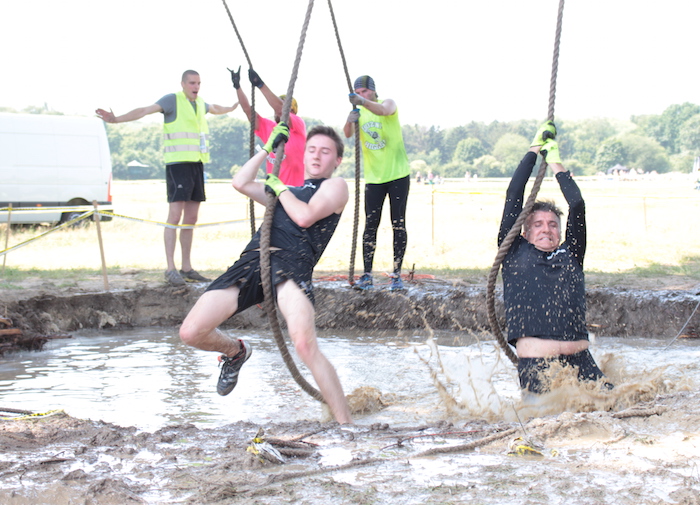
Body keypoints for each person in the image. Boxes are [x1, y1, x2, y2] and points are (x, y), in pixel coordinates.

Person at [179, 124, 353, 424]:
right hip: (252, 262)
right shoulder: (286, 192)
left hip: (291, 266)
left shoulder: (335, 186)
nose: (316, 156)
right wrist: (266, 149)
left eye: (325, 152)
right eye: (311, 150)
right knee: (191, 332)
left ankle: (347, 425)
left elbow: (304, 216)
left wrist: (280, 189)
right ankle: (236, 352)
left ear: (337, 160)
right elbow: (240, 182)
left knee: (304, 345)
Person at [499, 122, 613, 395]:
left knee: (621, 406)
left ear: (560, 233)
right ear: (525, 232)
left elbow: (577, 205)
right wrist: (534, 150)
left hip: (582, 363)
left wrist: (556, 162)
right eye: (538, 224)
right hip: (538, 365)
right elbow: (514, 194)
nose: (546, 229)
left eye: (552, 224)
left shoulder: (571, 253)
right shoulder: (513, 251)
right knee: (544, 419)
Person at [96, 70, 238, 286]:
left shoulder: (200, 103)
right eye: (192, 83)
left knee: (191, 218)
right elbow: (144, 110)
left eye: (199, 83)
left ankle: (187, 268)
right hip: (177, 165)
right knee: (175, 215)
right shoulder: (172, 100)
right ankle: (170, 268)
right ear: (183, 84)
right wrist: (116, 119)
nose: (196, 87)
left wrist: (233, 107)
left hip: (197, 164)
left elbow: (216, 108)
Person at [344, 75, 410, 292]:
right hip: (374, 179)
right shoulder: (359, 112)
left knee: (398, 223)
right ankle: (367, 275)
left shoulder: (387, 103)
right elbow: (347, 134)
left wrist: (362, 102)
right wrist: (350, 119)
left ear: (373, 91)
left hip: (398, 175)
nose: (361, 95)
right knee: (370, 225)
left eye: (364, 91)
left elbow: (383, 111)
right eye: (358, 93)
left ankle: (396, 275)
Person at [229, 67, 306, 186]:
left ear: (292, 110)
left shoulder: (298, 125)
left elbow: (281, 110)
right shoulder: (269, 128)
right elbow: (248, 111)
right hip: (272, 191)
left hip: (294, 190)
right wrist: (237, 87)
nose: (276, 111)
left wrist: (260, 84)